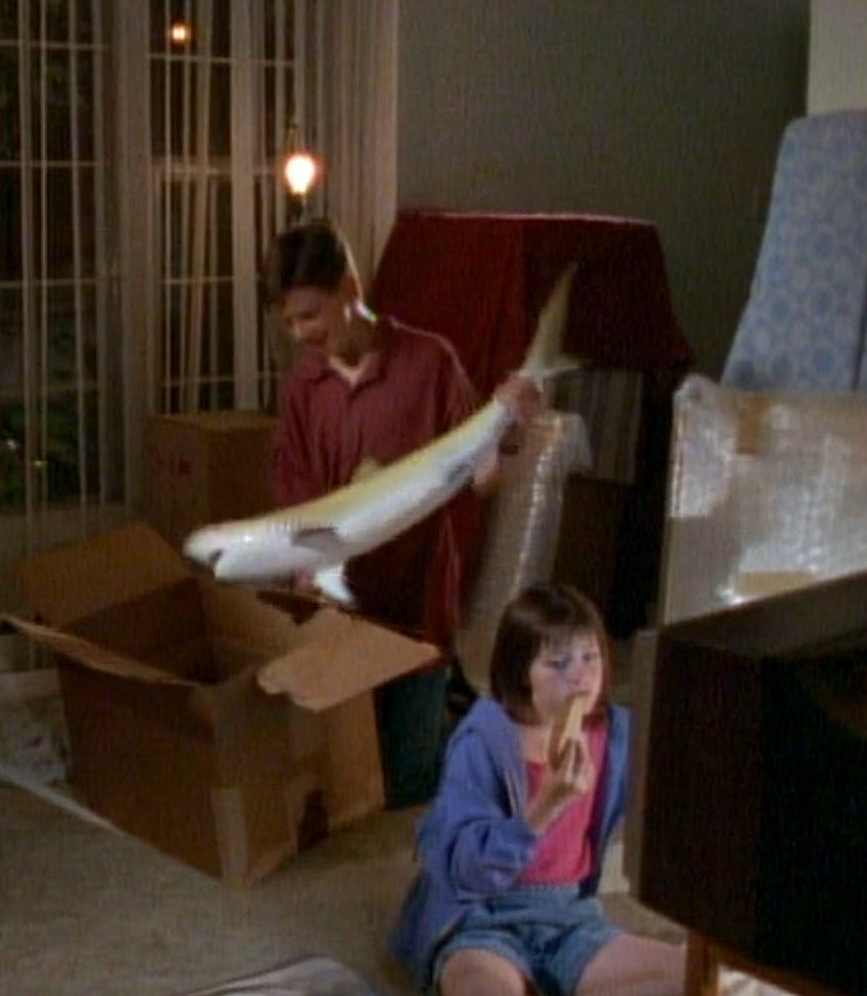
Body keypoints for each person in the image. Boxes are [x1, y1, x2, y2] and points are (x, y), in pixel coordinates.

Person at [266, 218, 537, 807]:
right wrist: (306, 570)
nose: (301, 333)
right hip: (342, 608)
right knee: (351, 779)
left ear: (349, 289)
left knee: (407, 782)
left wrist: (508, 423)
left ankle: (481, 730)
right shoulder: (303, 387)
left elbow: (481, 476)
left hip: (418, 610)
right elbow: (298, 499)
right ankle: (456, 711)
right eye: (289, 323)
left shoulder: (429, 361)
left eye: (310, 315)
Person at [390, 584, 685, 996]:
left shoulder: (615, 734)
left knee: (691, 974)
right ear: (521, 674)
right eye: (558, 663)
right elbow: (464, 873)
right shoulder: (481, 741)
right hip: (481, 916)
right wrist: (543, 808)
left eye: (590, 656)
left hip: (570, 916)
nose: (580, 675)